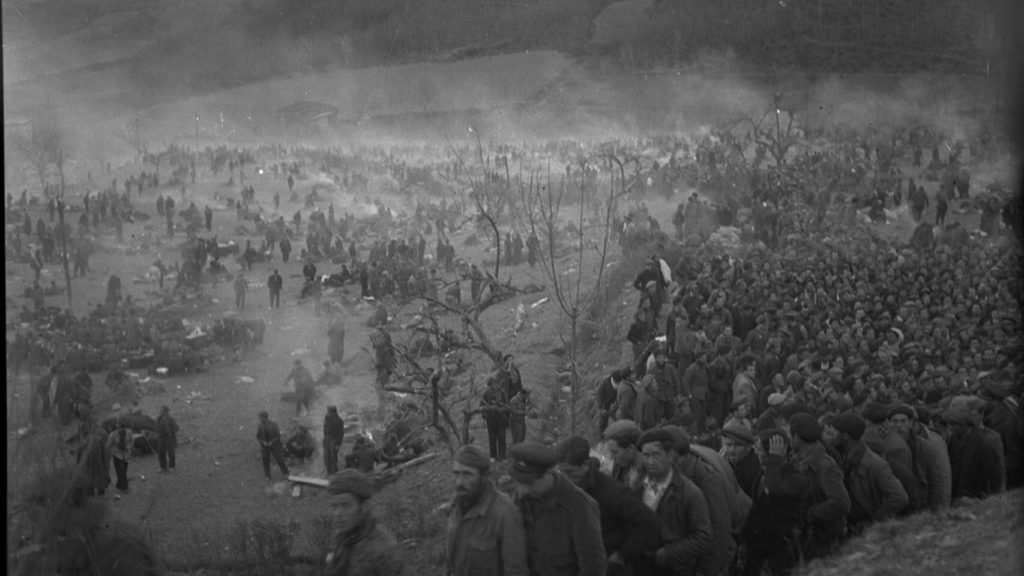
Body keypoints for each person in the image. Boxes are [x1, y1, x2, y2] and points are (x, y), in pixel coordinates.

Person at [556, 436, 662, 576]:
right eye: (561, 472)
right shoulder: (562, 487)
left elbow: (650, 522)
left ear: (585, 465)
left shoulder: (613, 492)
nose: (564, 477)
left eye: (570, 472)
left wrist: (623, 555)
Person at [508, 441, 607, 576]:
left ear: (549, 471)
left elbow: (593, 567)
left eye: (529, 483)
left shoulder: (579, 507)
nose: (523, 489)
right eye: (519, 481)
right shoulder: (519, 497)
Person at [634, 428, 713, 576]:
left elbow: (702, 537)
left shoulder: (689, 493)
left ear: (670, 455)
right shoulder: (637, 485)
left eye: (656, 455)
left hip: (673, 569)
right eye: (646, 455)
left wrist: (666, 554)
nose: (650, 461)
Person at [446, 444, 529, 576]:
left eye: (468, 474)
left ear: (485, 476)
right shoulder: (457, 503)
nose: (459, 482)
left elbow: (516, 570)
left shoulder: (506, 514)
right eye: (456, 473)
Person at [741, 429, 809, 576]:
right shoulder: (767, 471)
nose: (757, 453)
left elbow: (776, 490)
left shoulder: (795, 477)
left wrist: (773, 459)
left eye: (760, 450)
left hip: (780, 550)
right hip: (759, 547)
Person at [828, 413, 908, 535]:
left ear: (845, 437)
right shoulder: (845, 455)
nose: (832, 434)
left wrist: (873, 522)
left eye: (835, 432)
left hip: (867, 530)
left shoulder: (875, 464)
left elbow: (899, 498)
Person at [788, 412, 850, 559]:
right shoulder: (798, 460)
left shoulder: (825, 466)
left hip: (825, 542)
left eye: (790, 435)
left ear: (796, 437)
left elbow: (841, 503)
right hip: (811, 539)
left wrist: (810, 513)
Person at [324, 469, 405, 576]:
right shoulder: (342, 537)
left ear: (364, 507)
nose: (338, 513)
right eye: (334, 506)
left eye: (346, 505)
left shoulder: (382, 550)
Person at [887, 404, 952, 510]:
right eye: (895, 421)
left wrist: (936, 509)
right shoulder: (885, 445)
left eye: (903, 421)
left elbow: (936, 480)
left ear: (910, 423)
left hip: (920, 502)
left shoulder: (925, 447)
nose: (899, 425)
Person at [945, 396, 1006, 502]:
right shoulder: (953, 441)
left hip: (977, 503)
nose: (950, 427)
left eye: (954, 423)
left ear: (965, 425)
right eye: (949, 423)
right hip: (958, 502)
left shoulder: (986, 443)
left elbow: (996, 484)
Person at [721, 421, 762, 500]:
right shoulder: (726, 463)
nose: (732, 450)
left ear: (749, 447)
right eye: (728, 445)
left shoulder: (755, 469)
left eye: (738, 445)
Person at [604, 420, 646, 490]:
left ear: (631, 448)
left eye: (615, 452)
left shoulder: (652, 472)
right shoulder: (620, 467)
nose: (612, 457)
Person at [480, 378, 509, 461]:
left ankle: (502, 457)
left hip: (501, 419)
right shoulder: (486, 393)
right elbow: (481, 407)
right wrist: (487, 411)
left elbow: (507, 406)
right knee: (492, 438)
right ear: (489, 386)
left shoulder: (502, 392)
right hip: (491, 419)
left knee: (502, 437)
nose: (494, 386)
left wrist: (502, 409)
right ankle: (493, 456)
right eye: (491, 385)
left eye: (495, 384)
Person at [256, 411, 290, 481]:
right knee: (265, 462)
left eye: (260, 417)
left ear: (264, 418)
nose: (259, 419)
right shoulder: (260, 426)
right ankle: (268, 476)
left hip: (275, 446)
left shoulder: (273, 424)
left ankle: (286, 473)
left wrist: (271, 442)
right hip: (265, 447)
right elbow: (258, 436)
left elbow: (278, 435)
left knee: (279, 460)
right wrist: (263, 442)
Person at [106, 418, 132, 493]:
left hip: (126, 455)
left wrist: (129, 448)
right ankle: (125, 488)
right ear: (117, 427)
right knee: (121, 472)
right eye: (119, 427)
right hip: (117, 456)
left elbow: (131, 441)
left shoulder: (128, 432)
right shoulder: (113, 435)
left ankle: (119, 484)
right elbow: (108, 446)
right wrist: (112, 453)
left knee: (124, 470)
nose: (120, 429)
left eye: (122, 427)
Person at [156, 405, 179, 472]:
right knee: (161, 452)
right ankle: (163, 467)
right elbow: (156, 427)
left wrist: (171, 431)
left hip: (169, 438)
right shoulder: (158, 419)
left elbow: (176, 428)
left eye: (162, 410)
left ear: (166, 412)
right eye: (160, 410)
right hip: (161, 438)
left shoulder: (171, 419)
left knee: (170, 453)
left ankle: (172, 466)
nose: (160, 412)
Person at [324, 406, 345, 475]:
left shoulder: (339, 420)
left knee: (333, 458)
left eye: (329, 412)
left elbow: (340, 433)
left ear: (333, 413)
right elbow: (325, 429)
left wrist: (338, 444)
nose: (327, 413)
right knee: (327, 457)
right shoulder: (327, 419)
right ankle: (328, 472)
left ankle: (334, 473)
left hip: (334, 440)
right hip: (327, 439)